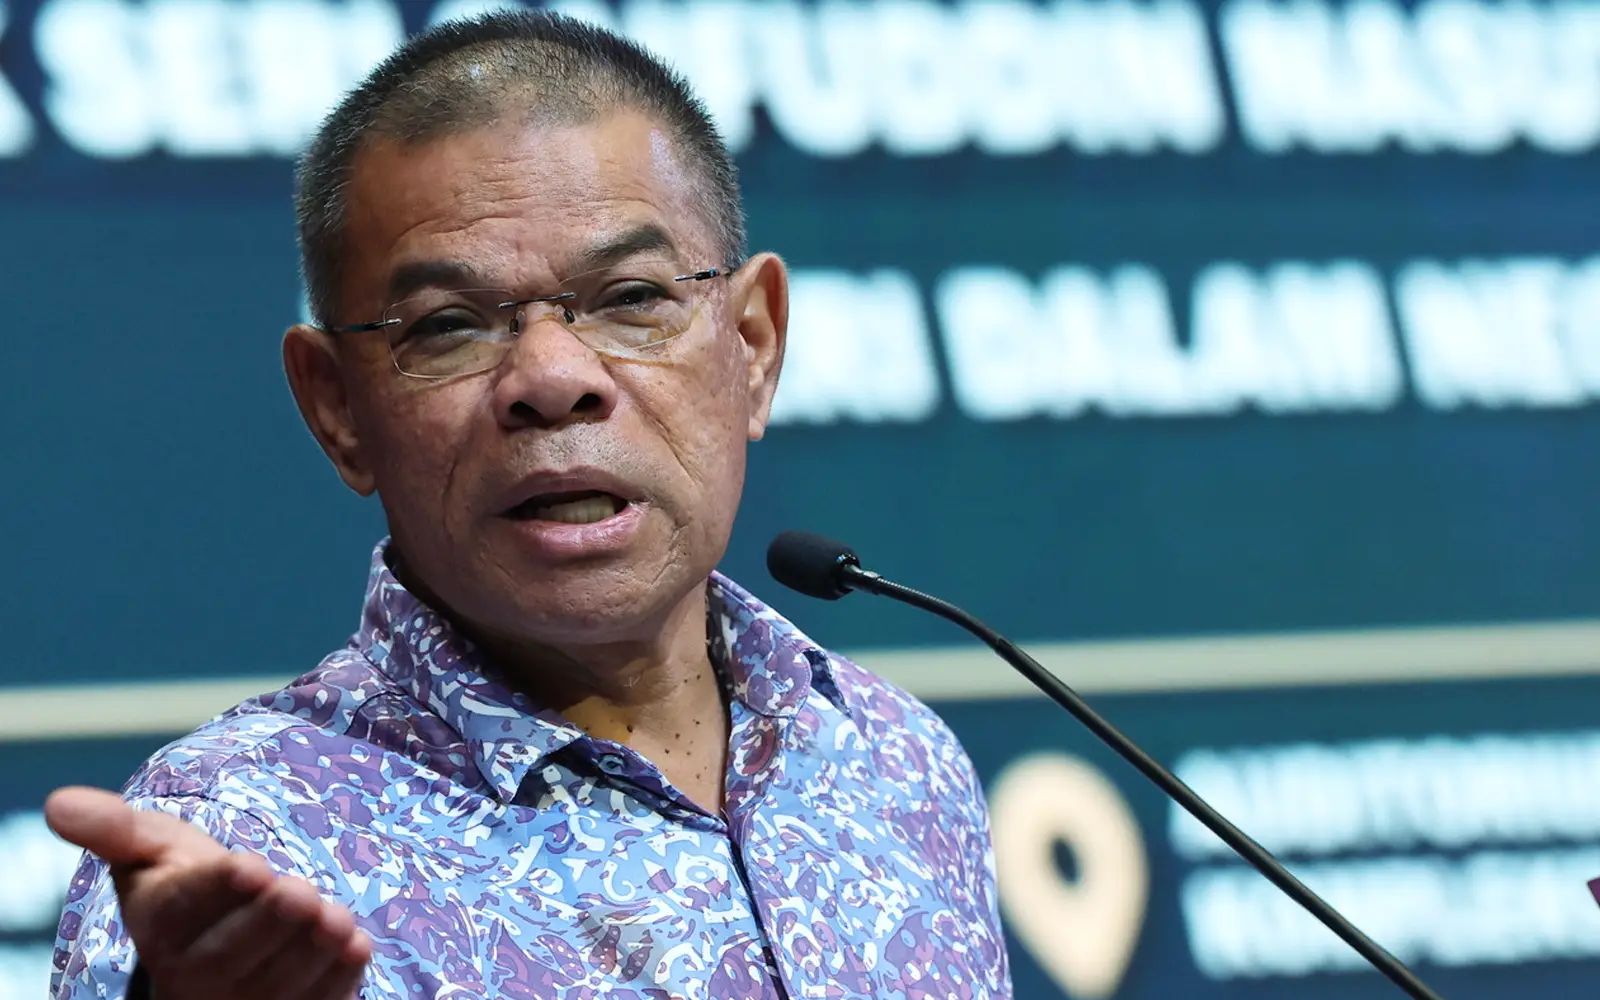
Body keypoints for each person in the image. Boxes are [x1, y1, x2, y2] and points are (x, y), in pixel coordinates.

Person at [46, 11, 1012, 999]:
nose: (552, 378)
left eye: (631, 298)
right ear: (336, 409)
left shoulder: (896, 756)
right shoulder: (244, 844)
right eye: (448, 325)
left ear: (753, 347)